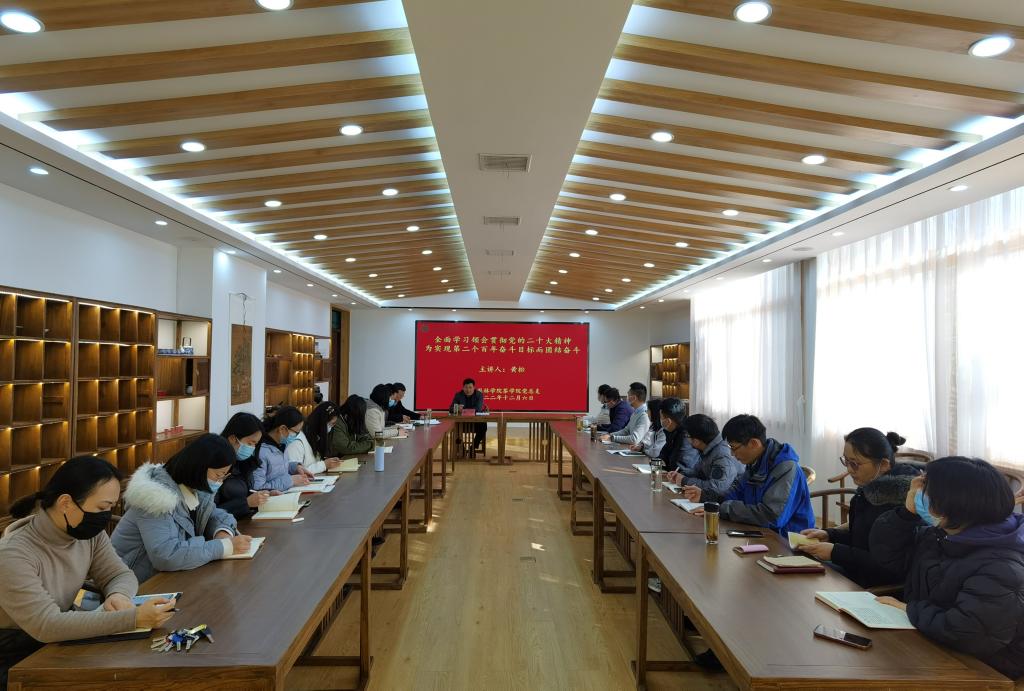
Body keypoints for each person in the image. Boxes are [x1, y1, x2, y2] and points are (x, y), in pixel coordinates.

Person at [0, 457, 176, 686]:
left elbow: (119, 574)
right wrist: (132, 618)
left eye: (110, 508)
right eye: (102, 508)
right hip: (14, 656)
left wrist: (119, 595)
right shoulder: (13, 554)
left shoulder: (86, 534)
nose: (105, 516)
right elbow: (46, 625)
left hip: (57, 640)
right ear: (65, 503)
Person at [870, 457, 1024, 680]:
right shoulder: (944, 534)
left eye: (927, 491)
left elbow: (969, 634)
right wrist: (906, 514)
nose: (920, 493)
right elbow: (889, 557)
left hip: (985, 669)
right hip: (931, 642)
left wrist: (909, 610)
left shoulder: (1002, 566)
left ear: (954, 505)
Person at [111, 435, 252, 583]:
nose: (219, 481)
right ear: (199, 467)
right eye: (218, 475)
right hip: (134, 583)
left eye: (224, 476)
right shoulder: (155, 498)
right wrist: (223, 547)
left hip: (169, 577)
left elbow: (213, 515)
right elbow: (166, 555)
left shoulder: (193, 487)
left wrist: (223, 533)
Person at [797, 429, 921, 587]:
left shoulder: (905, 505)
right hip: (855, 573)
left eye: (855, 464)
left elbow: (888, 567)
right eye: (846, 461)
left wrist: (835, 552)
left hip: (877, 587)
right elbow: (861, 539)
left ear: (883, 465)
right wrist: (830, 535)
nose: (849, 469)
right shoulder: (869, 490)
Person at [682, 414, 814, 535]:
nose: (732, 454)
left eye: (734, 448)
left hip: (786, 540)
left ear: (753, 443)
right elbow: (736, 492)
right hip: (758, 531)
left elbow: (771, 517)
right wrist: (706, 497)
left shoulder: (786, 468)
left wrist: (722, 510)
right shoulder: (757, 462)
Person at [666, 414, 742, 497]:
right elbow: (697, 472)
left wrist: (684, 481)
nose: (687, 439)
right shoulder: (708, 448)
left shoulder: (721, 454)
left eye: (687, 436)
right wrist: (680, 475)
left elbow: (717, 488)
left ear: (696, 440)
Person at [215, 412, 273, 520]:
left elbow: (244, 492)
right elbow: (208, 513)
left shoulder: (245, 462)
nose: (252, 448)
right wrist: (246, 503)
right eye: (250, 443)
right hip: (224, 524)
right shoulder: (215, 466)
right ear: (232, 438)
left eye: (255, 444)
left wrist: (265, 495)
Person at [253, 406, 316, 491]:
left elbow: (277, 469)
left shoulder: (280, 445)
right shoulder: (261, 452)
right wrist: (290, 480)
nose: (296, 436)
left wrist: (295, 467)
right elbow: (257, 488)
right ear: (282, 429)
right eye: (296, 433)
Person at [288, 401, 344, 474]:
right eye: (331, 424)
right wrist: (324, 465)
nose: (331, 427)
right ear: (321, 422)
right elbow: (296, 472)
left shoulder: (316, 437)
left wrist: (328, 462)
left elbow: (314, 462)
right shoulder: (297, 442)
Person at [656, 398, 699, 473]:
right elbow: (663, 456)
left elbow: (678, 467)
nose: (660, 420)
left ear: (668, 421)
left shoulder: (686, 437)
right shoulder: (672, 432)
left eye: (661, 417)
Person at [449, 378, 487, 452]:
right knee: (454, 426)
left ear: (474, 387)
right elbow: (450, 409)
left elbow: (478, 409)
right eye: (466, 387)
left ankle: (472, 448)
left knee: (483, 426)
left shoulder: (479, 395)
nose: (468, 390)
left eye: (470, 387)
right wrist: (456, 409)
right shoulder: (458, 395)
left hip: (475, 422)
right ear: (463, 388)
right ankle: (461, 449)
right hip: (462, 423)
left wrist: (463, 410)